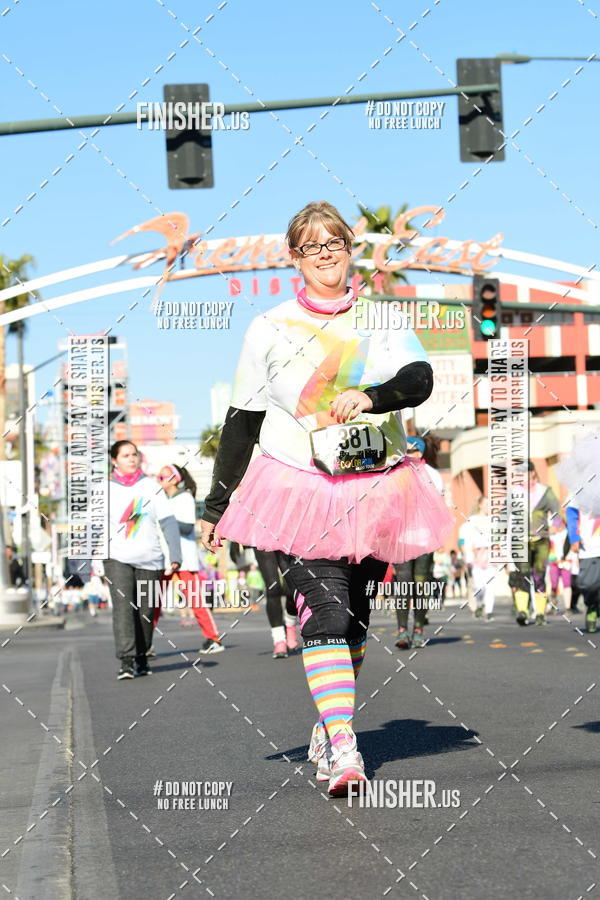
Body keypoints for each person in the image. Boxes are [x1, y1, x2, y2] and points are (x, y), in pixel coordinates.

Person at [200, 201, 452, 796]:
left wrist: (370, 397)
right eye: (312, 245)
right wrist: (215, 506)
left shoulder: (379, 318)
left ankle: (326, 722)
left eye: (335, 241)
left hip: (375, 484)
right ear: (295, 256)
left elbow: (420, 378)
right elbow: (242, 422)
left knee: (358, 621)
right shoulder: (269, 327)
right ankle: (343, 742)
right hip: (298, 486)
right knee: (327, 614)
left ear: (349, 247)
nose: (327, 253)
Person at [105, 441, 182, 680]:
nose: (131, 459)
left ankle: (142, 655)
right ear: (114, 460)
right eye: (125, 455)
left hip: (151, 558)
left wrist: (175, 555)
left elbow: (168, 521)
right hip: (116, 557)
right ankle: (126, 660)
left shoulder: (150, 486)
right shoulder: (103, 488)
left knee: (146, 611)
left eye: (134, 455)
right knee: (123, 608)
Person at [157, 464, 224, 654]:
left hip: (184, 559)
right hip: (163, 559)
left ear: (176, 479)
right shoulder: (160, 499)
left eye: (164, 477)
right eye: (159, 477)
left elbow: (187, 528)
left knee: (196, 600)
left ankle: (213, 639)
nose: (160, 480)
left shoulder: (184, 497)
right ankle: (145, 645)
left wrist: (163, 522)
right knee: (153, 602)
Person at [394, 434, 445, 648]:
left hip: (424, 537)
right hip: (401, 538)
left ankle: (418, 630)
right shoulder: (394, 474)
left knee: (421, 585)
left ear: (421, 453)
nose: (409, 455)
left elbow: (438, 506)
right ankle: (402, 632)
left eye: (413, 451)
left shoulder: (432, 474)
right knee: (404, 585)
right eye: (405, 451)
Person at [510, 461, 562, 626]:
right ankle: (522, 611)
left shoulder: (544, 491)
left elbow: (557, 510)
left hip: (541, 540)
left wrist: (556, 524)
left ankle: (540, 613)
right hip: (519, 540)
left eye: (526, 472)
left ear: (532, 473)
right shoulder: (513, 493)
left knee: (539, 576)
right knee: (522, 574)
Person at [253, 548, 300, 658]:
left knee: (291, 586)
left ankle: (290, 626)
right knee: (272, 587)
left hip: (286, 533)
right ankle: (279, 640)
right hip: (262, 534)